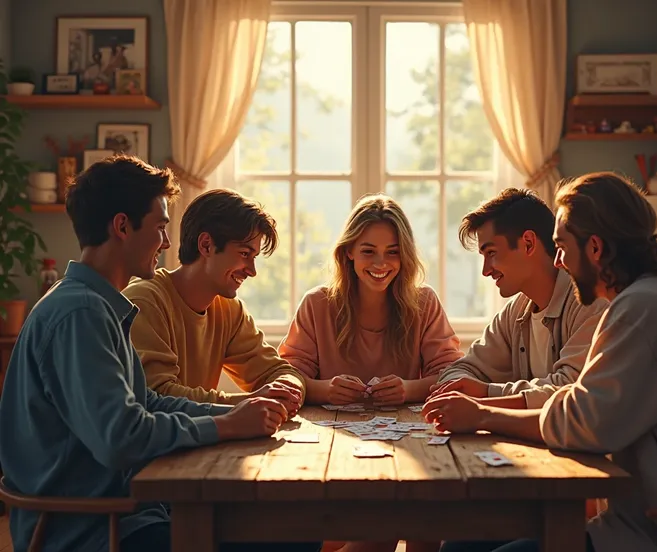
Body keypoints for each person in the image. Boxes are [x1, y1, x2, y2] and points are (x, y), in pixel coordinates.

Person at [0, 155, 318, 552]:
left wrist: (237, 414)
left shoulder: (99, 306)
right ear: (122, 227)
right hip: (95, 530)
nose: (167, 243)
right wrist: (227, 426)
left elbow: (147, 402)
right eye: (160, 227)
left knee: (290, 529)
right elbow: (122, 437)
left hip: (131, 511)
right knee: (290, 540)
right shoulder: (80, 314)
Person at [423, 172, 657, 552]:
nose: (558, 261)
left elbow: (582, 421)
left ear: (596, 248)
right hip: (641, 520)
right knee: (461, 544)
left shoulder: (644, 307)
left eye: (560, 246)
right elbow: (582, 406)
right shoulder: (649, 299)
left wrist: (483, 414)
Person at [426, 188, 607, 424]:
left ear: (529, 243)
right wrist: (462, 387)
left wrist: (486, 394)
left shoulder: (589, 301)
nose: (485, 270)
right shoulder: (515, 312)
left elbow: (569, 390)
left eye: (491, 253)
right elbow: (457, 372)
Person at [123, 189, 305, 416]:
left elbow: (276, 370)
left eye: (254, 257)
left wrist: (288, 388)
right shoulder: (144, 302)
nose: (252, 271)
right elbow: (157, 397)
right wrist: (248, 402)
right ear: (206, 245)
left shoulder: (230, 309)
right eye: (244, 254)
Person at [279, 193, 463, 407]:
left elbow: (451, 377)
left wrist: (409, 389)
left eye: (392, 252)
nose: (380, 263)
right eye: (368, 251)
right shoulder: (316, 304)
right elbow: (289, 378)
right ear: (349, 251)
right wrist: (325, 390)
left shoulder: (425, 302)